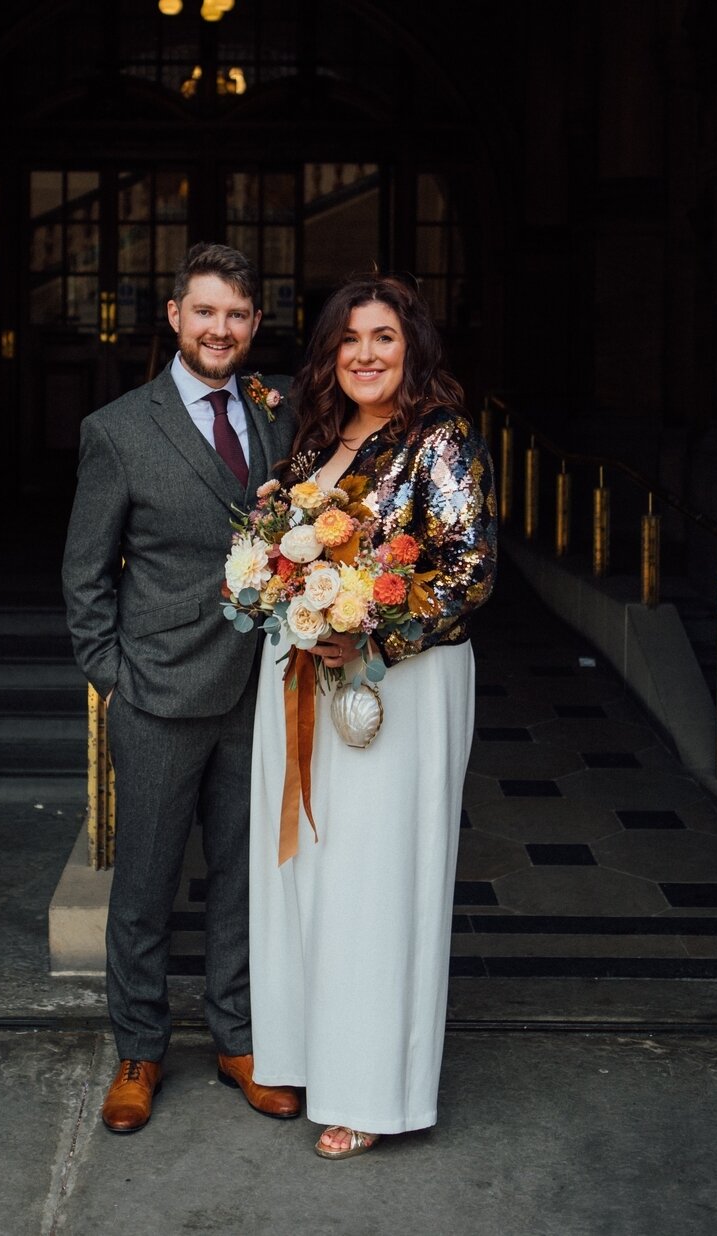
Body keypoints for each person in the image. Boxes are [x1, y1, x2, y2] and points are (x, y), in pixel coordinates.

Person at [248, 273, 497, 1158]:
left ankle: (373, 1092)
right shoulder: (316, 436)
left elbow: (470, 568)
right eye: (350, 339)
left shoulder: (442, 439)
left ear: (412, 347)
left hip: (403, 687)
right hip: (304, 679)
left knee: (377, 887)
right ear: (329, 353)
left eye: (383, 337)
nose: (365, 354)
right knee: (309, 874)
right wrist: (285, 600)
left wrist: (374, 638)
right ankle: (310, 1052)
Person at [62, 242, 299, 1134]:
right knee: (149, 883)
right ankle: (140, 1049)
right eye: (205, 312)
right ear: (174, 317)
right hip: (158, 694)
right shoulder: (119, 429)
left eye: (236, 315)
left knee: (243, 881)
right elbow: (84, 576)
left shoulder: (277, 412)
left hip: (258, 689)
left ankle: (238, 1039)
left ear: (253, 325)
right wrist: (114, 679)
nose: (220, 329)